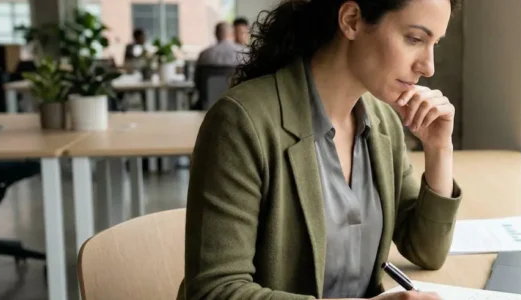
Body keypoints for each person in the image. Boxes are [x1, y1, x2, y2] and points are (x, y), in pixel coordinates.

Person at [178, 0, 461, 299]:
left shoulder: (382, 122)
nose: (427, 66)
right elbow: (213, 291)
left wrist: (439, 148)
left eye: (434, 44)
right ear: (352, 20)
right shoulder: (240, 122)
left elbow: (427, 250)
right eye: (415, 39)